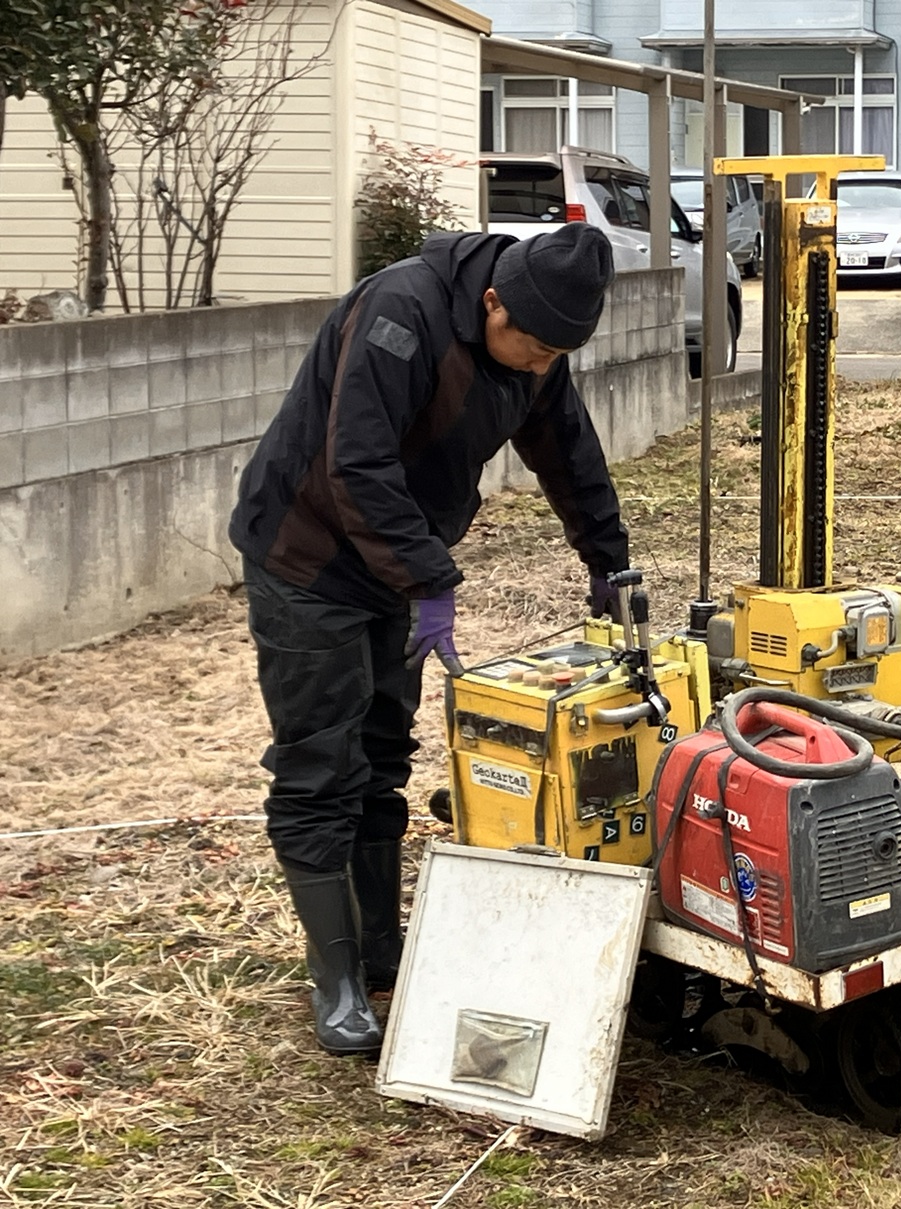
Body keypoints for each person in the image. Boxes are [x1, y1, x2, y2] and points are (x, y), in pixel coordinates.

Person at [229, 223, 629, 1055]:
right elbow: (356, 465)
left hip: (393, 567)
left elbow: (569, 450)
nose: (538, 366)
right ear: (492, 301)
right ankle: (334, 978)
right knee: (319, 766)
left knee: (382, 752)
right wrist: (432, 579)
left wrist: (608, 560)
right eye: (531, 348)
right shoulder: (399, 313)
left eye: (557, 355)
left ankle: (382, 949)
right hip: (307, 559)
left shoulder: (536, 344)